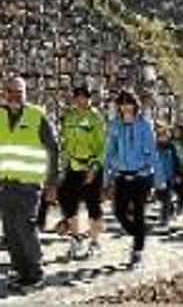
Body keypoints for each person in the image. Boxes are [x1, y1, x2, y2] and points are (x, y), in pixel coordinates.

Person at [0, 76, 59, 290]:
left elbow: (53, 149)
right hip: (6, 184)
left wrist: (52, 183)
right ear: (4, 94)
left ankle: (35, 273)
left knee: (25, 228)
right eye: (11, 92)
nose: (15, 96)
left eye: (20, 92)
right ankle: (21, 272)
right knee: (10, 231)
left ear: (25, 94)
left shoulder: (37, 116)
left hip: (29, 184)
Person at [104, 90, 165, 270]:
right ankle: (139, 234)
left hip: (141, 175)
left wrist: (159, 179)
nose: (125, 106)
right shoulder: (114, 125)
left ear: (135, 105)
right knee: (119, 213)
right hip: (122, 175)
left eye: (129, 102)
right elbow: (109, 152)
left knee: (138, 213)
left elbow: (153, 152)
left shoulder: (144, 125)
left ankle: (137, 252)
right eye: (122, 103)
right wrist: (105, 179)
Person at [58, 85, 107, 259]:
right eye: (77, 96)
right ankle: (77, 238)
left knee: (93, 204)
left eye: (83, 96)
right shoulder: (69, 116)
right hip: (73, 166)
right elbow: (64, 141)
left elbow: (102, 146)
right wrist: (64, 164)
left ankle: (95, 243)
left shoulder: (95, 117)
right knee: (66, 200)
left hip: (91, 166)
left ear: (89, 98)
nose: (80, 99)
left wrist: (94, 168)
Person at [156, 125, 182, 226]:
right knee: (160, 196)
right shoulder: (155, 147)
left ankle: (164, 217)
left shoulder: (172, 147)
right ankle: (171, 208)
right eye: (160, 136)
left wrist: (178, 174)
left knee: (166, 196)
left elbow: (177, 161)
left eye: (164, 135)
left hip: (169, 176)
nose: (163, 137)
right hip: (158, 176)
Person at [170, 124, 183, 215]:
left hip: (182, 169)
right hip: (172, 168)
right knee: (171, 189)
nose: (177, 133)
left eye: (178, 131)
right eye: (175, 131)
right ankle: (171, 208)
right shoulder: (170, 143)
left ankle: (181, 207)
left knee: (180, 189)